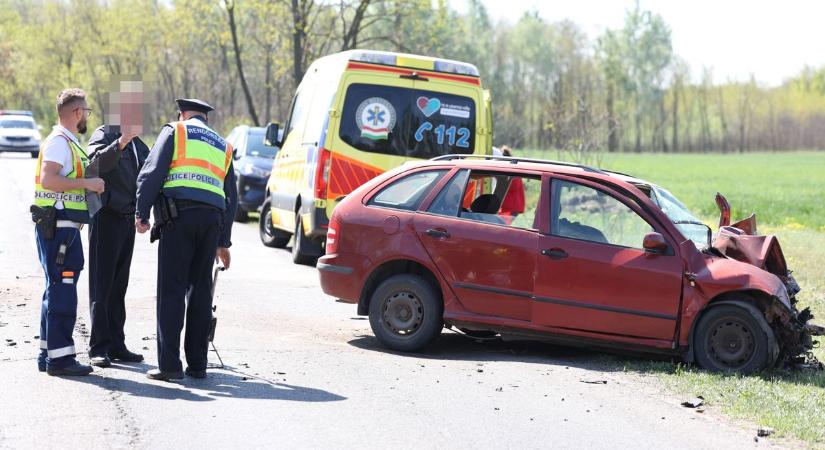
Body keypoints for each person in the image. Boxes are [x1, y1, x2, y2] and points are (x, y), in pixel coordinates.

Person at [135, 98, 237, 381]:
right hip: (211, 224)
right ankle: (198, 365)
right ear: (205, 118)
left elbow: (152, 173)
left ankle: (169, 365)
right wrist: (223, 241)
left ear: (182, 114)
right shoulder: (222, 144)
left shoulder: (176, 131)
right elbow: (232, 197)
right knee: (201, 292)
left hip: (178, 219)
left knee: (171, 290)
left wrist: (141, 212)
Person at [33, 88, 108, 376]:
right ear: (77, 113)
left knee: (55, 289)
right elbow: (49, 179)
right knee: (63, 290)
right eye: (86, 111)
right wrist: (87, 184)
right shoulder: (59, 142)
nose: (87, 116)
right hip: (59, 226)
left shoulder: (69, 143)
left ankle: (48, 353)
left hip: (64, 225)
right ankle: (61, 359)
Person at [86, 83, 151, 367]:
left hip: (126, 221)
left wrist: (143, 214)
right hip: (105, 218)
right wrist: (121, 141)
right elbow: (94, 166)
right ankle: (98, 347)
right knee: (102, 285)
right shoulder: (105, 134)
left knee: (119, 287)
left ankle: (116, 344)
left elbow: (147, 181)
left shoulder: (140, 145)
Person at [499, 145, 525, 218]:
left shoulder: (511, 169)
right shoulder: (513, 168)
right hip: (511, 206)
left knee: (502, 227)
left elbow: (513, 186)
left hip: (510, 207)